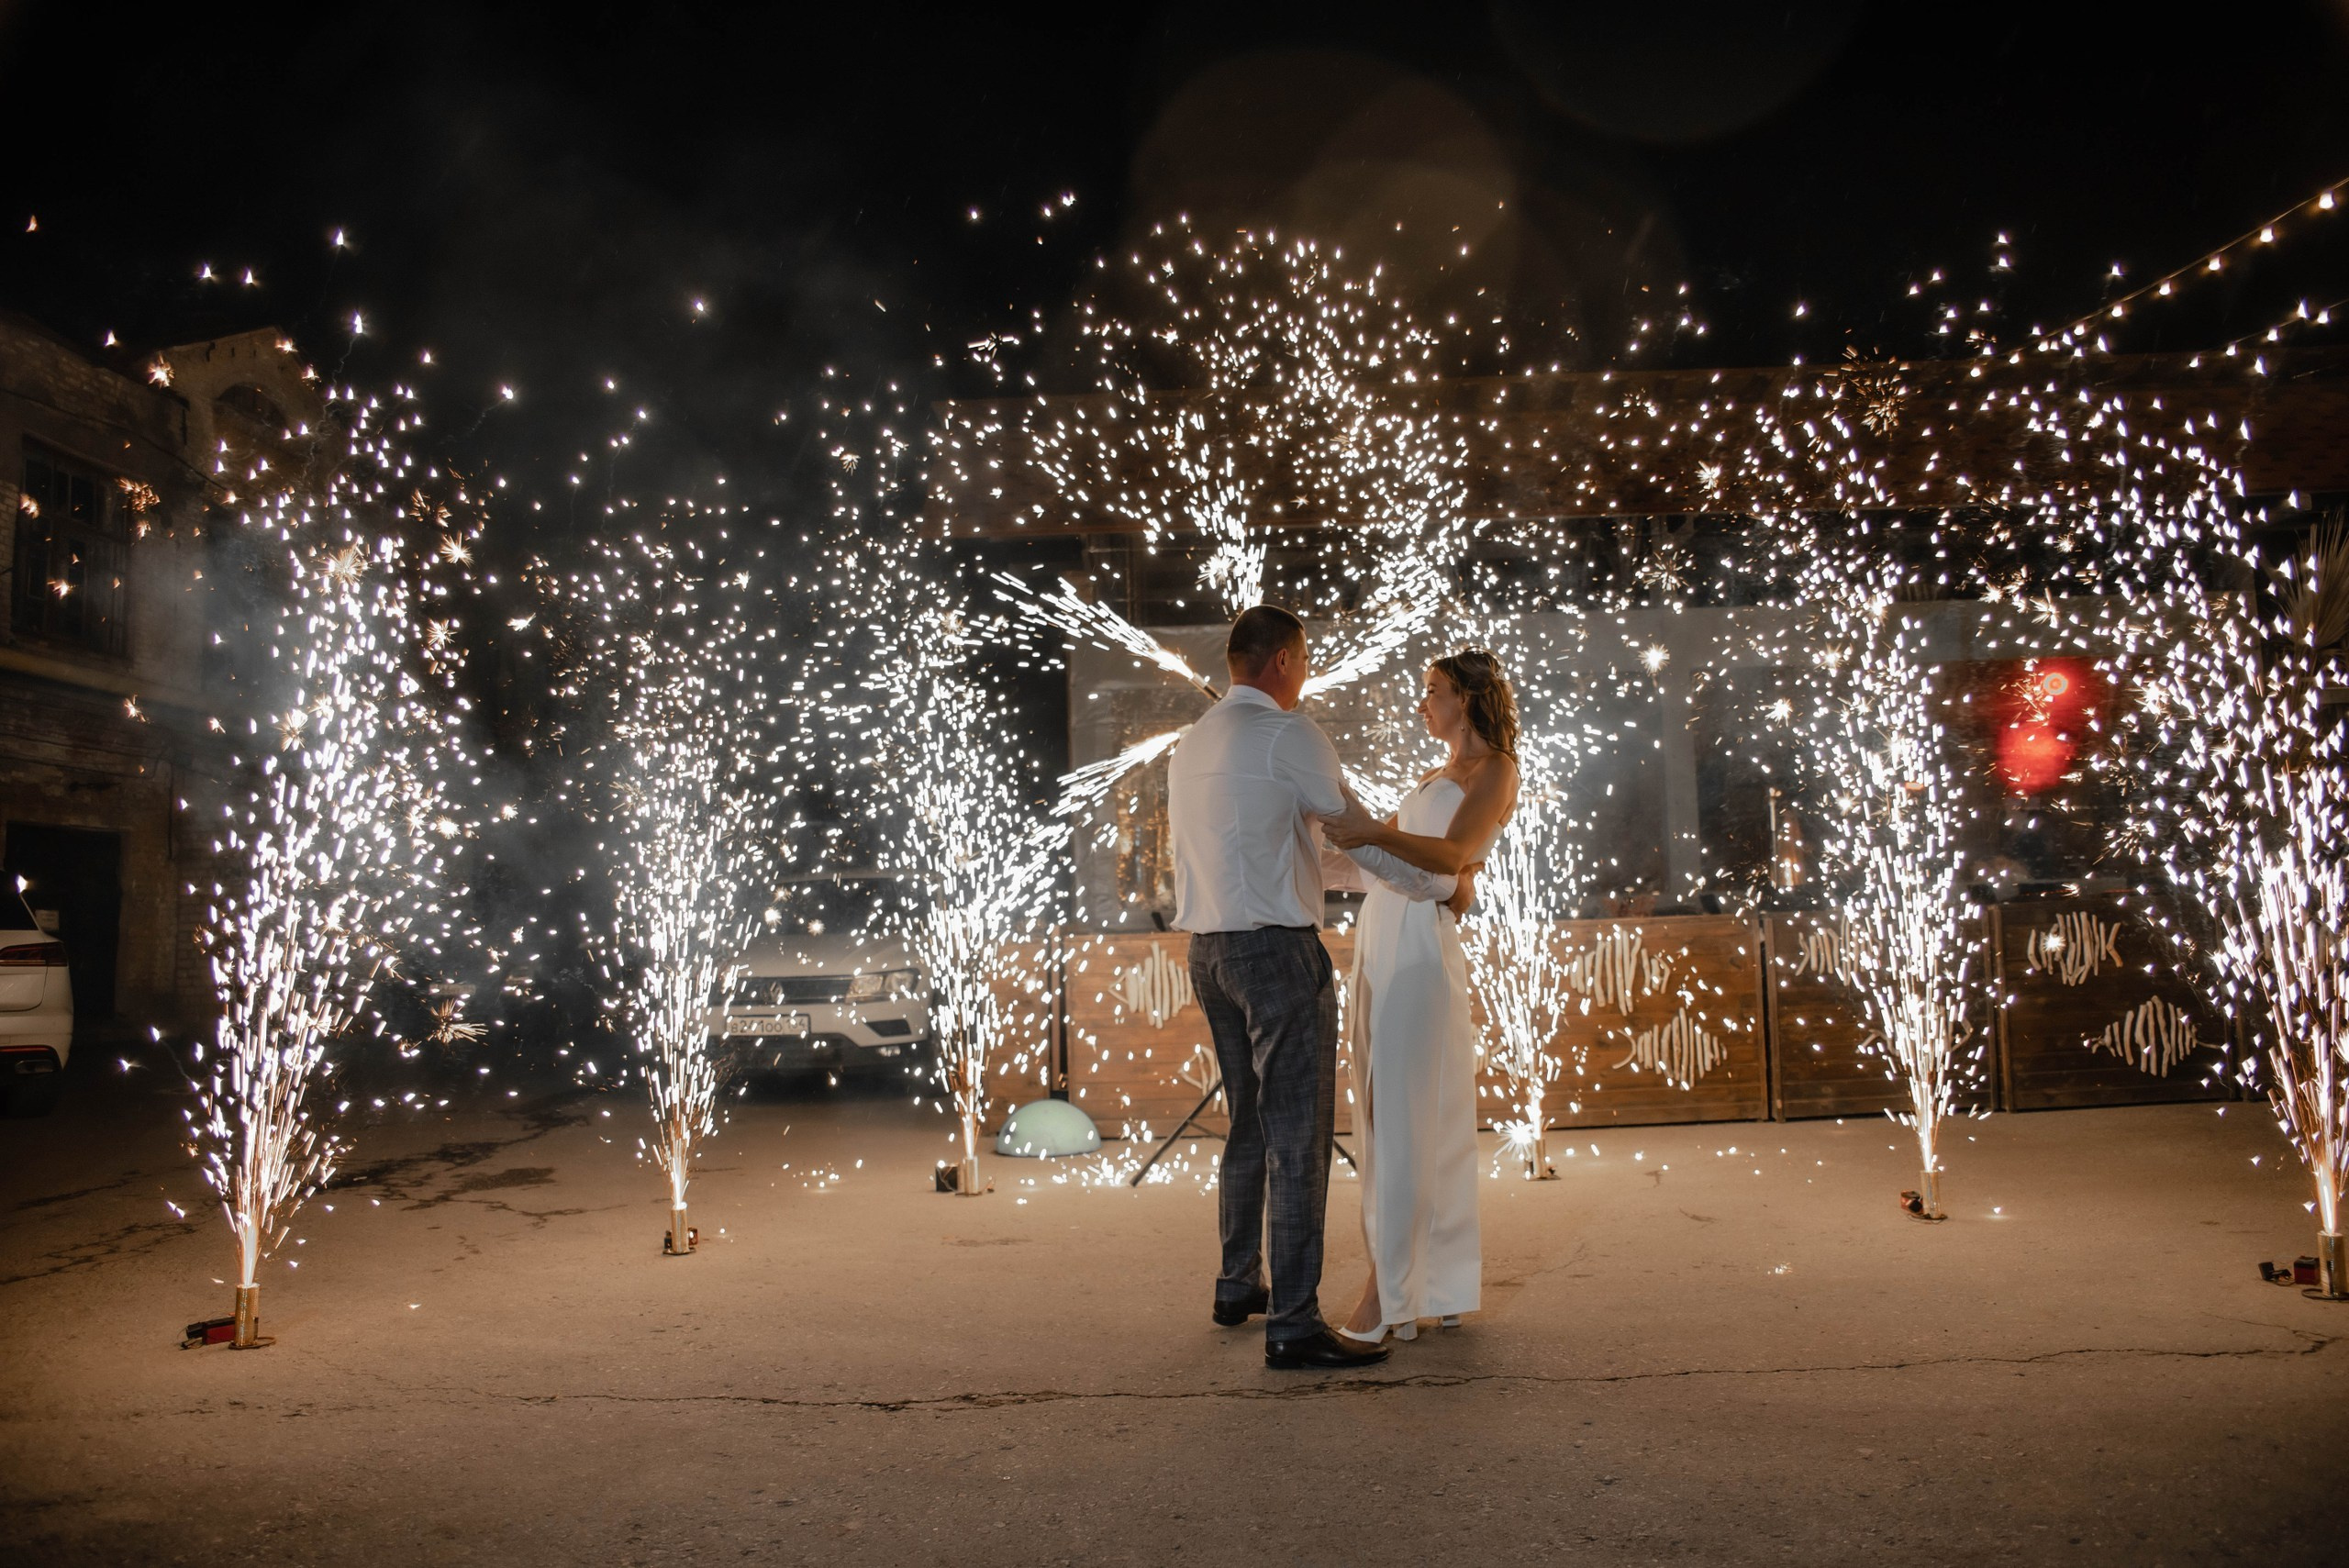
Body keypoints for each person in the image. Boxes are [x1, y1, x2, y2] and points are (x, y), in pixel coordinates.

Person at [1165, 605, 1452, 1371]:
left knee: (1249, 1125)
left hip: (1209, 951)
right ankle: (1293, 1320)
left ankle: (1238, 1283)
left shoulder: (1191, 742)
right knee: (1299, 1138)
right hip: (1277, 953)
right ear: (1285, 661)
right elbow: (1354, 829)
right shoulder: (1291, 734)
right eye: (1308, 658)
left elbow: (1260, 847)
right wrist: (1438, 881)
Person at [1321, 650, 1521, 1346]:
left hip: (1418, 949)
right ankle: (1433, 1283)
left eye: (1432, 691)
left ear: (1465, 698)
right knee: (1387, 1110)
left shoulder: (1494, 769)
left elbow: (1451, 855)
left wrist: (1373, 829)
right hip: (1384, 932)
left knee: (1406, 1115)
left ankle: (1387, 1292)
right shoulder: (1434, 775)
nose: (1422, 703)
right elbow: (1437, 870)